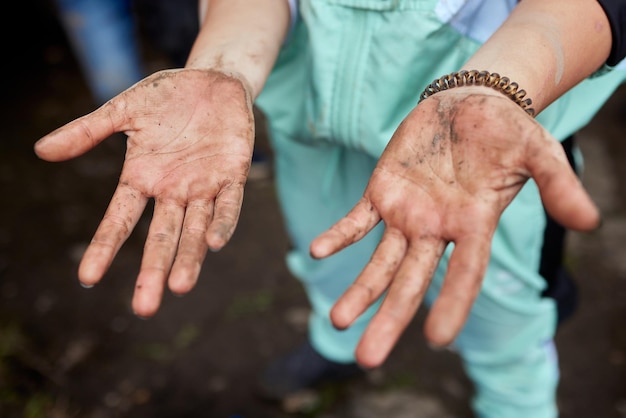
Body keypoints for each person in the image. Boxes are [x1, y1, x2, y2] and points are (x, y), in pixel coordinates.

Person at [34, 0, 626, 416]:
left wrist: (498, 87)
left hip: (480, 158)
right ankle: (339, 343)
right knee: (325, 251)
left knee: (501, 304)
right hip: (314, 126)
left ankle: (514, 400)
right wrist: (221, 68)